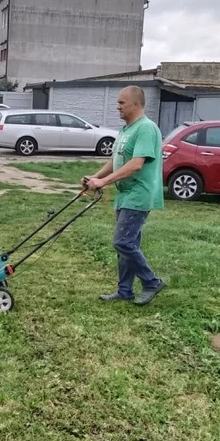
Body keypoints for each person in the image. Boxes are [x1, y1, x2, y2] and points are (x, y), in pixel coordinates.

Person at [82, 85, 166, 305]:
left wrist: (104, 182)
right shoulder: (126, 130)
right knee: (127, 245)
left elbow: (136, 165)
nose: (117, 106)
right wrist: (95, 177)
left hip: (139, 194)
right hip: (125, 194)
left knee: (123, 242)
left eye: (121, 102)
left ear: (136, 104)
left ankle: (151, 282)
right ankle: (125, 291)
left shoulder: (146, 129)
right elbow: (116, 161)